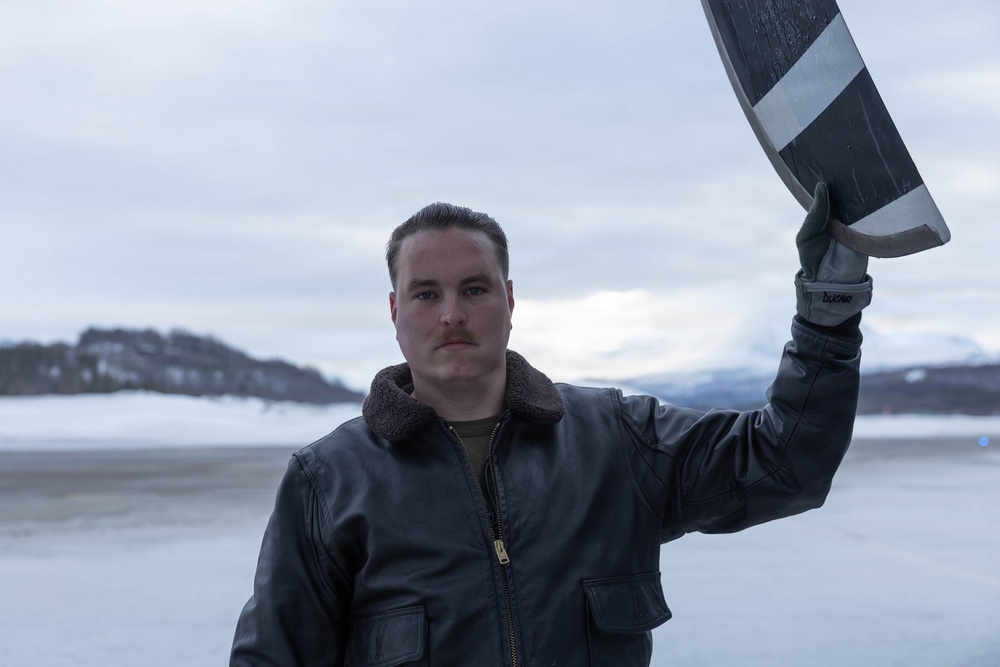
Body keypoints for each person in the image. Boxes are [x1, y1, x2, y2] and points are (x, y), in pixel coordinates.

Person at [231, 183, 872, 666]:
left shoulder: (615, 440)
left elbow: (784, 462)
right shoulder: (330, 481)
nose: (452, 314)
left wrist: (828, 315)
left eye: (475, 289)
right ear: (395, 310)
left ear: (509, 301)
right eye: (426, 294)